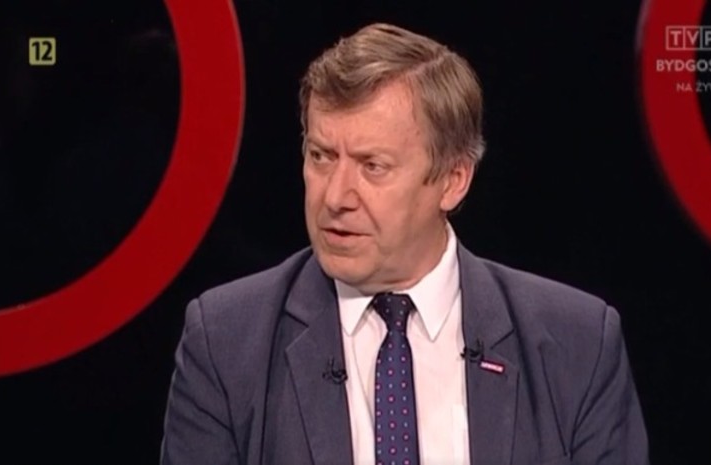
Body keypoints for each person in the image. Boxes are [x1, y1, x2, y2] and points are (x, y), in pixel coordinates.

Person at [160, 22, 649, 465]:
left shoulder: (577, 344)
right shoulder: (226, 342)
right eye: (321, 156)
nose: (336, 197)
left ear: (453, 181)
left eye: (373, 166)